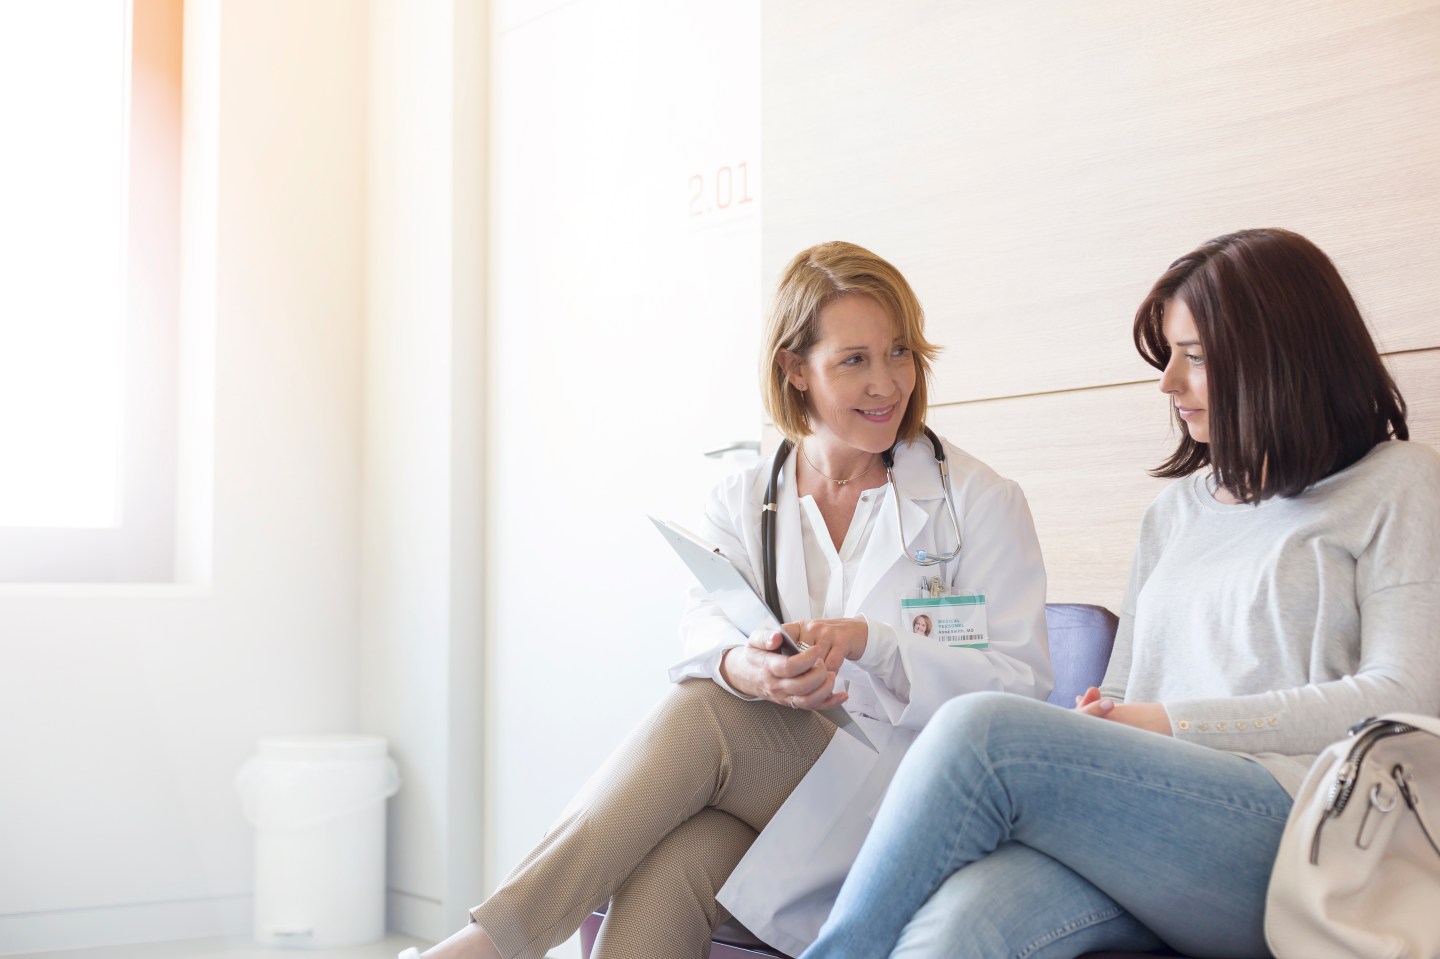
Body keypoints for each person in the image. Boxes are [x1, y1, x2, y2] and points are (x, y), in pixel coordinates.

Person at [799, 228, 1440, 959]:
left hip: (1300, 827)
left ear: (1283, 356)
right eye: (1168, 356)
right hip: (1153, 827)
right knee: (961, 925)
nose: (1168, 383)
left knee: (981, 733)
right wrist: (1111, 718)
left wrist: (1169, 722)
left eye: (1195, 358)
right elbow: (1129, 688)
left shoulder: (1399, 483)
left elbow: (1402, 699)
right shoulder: (1174, 514)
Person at [406, 241, 1050, 959]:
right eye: (855, 360)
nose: (887, 382)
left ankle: (494, 942)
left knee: (707, 711)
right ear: (793, 368)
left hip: (921, 800)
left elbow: (1021, 691)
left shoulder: (981, 503)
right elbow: (705, 633)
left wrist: (876, 641)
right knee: (678, 856)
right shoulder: (743, 499)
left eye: (898, 352)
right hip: (794, 805)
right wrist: (750, 667)